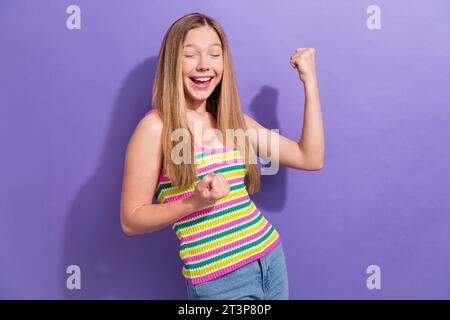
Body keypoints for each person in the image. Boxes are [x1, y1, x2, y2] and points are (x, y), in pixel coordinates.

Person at [120, 12, 324, 300]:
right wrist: (195, 202)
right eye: (190, 55)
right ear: (172, 63)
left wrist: (310, 81)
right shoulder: (156, 127)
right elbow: (131, 219)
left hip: (270, 262)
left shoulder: (231, 121)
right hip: (220, 283)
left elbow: (310, 157)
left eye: (215, 55)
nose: (205, 65)